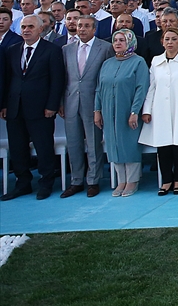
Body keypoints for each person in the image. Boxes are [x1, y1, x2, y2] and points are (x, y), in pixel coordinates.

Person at [1, 15, 67, 200]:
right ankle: (23, 184)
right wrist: (5, 104)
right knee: (17, 148)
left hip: (41, 108)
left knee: (43, 147)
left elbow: (57, 80)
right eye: (23, 27)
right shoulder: (12, 50)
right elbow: (8, 80)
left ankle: (46, 183)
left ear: (40, 29)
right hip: (15, 107)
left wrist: (52, 105)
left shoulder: (52, 50)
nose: (26, 30)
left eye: (30, 26)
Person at [139, 27, 178, 195]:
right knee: (163, 146)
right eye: (167, 39)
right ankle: (166, 180)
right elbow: (152, 87)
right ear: (162, 42)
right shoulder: (156, 61)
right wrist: (147, 110)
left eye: (173, 39)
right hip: (160, 109)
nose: (170, 42)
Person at [61, 14, 114, 197]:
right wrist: (61, 102)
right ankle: (76, 181)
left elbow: (106, 76)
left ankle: (93, 180)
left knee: (93, 142)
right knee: (73, 143)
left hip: (93, 102)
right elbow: (64, 79)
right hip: (70, 102)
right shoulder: (67, 49)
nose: (81, 28)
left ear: (94, 29)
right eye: (79, 25)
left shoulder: (105, 48)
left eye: (86, 26)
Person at [93, 29, 150, 196]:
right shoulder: (107, 63)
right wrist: (97, 110)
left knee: (129, 145)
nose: (117, 43)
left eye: (122, 40)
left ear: (130, 43)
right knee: (113, 145)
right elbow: (99, 88)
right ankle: (121, 180)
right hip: (108, 110)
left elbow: (141, 88)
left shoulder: (138, 62)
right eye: (115, 40)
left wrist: (134, 111)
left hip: (128, 110)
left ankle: (132, 181)